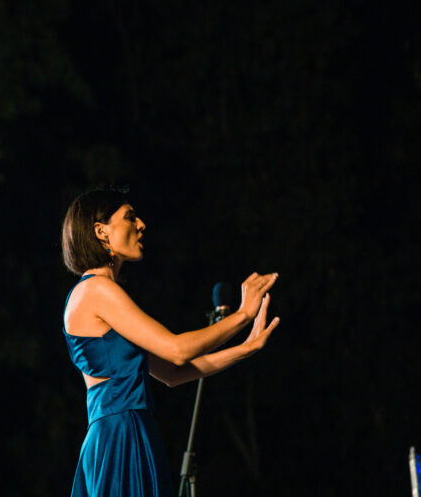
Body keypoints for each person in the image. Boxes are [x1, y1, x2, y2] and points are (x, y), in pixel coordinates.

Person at [61, 189, 280, 497]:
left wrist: (246, 347)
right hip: (120, 435)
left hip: (128, 431)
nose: (141, 224)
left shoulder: (99, 292)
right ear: (101, 231)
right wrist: (243, 316)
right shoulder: (96, 290)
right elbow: (177, 350)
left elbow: (173, 373)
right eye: (129, 217)